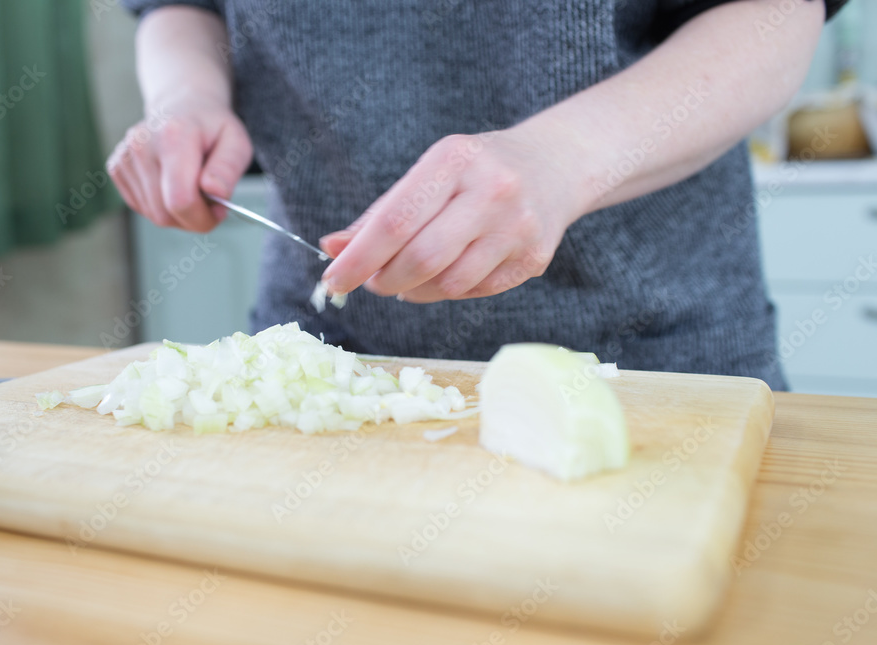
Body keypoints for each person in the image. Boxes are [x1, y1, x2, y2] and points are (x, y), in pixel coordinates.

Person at [111, 0, 847, 390]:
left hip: (658, 359)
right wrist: (184, 94)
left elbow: (777, 13)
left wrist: (565, 157)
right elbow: (180, 4)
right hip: (329, 357)